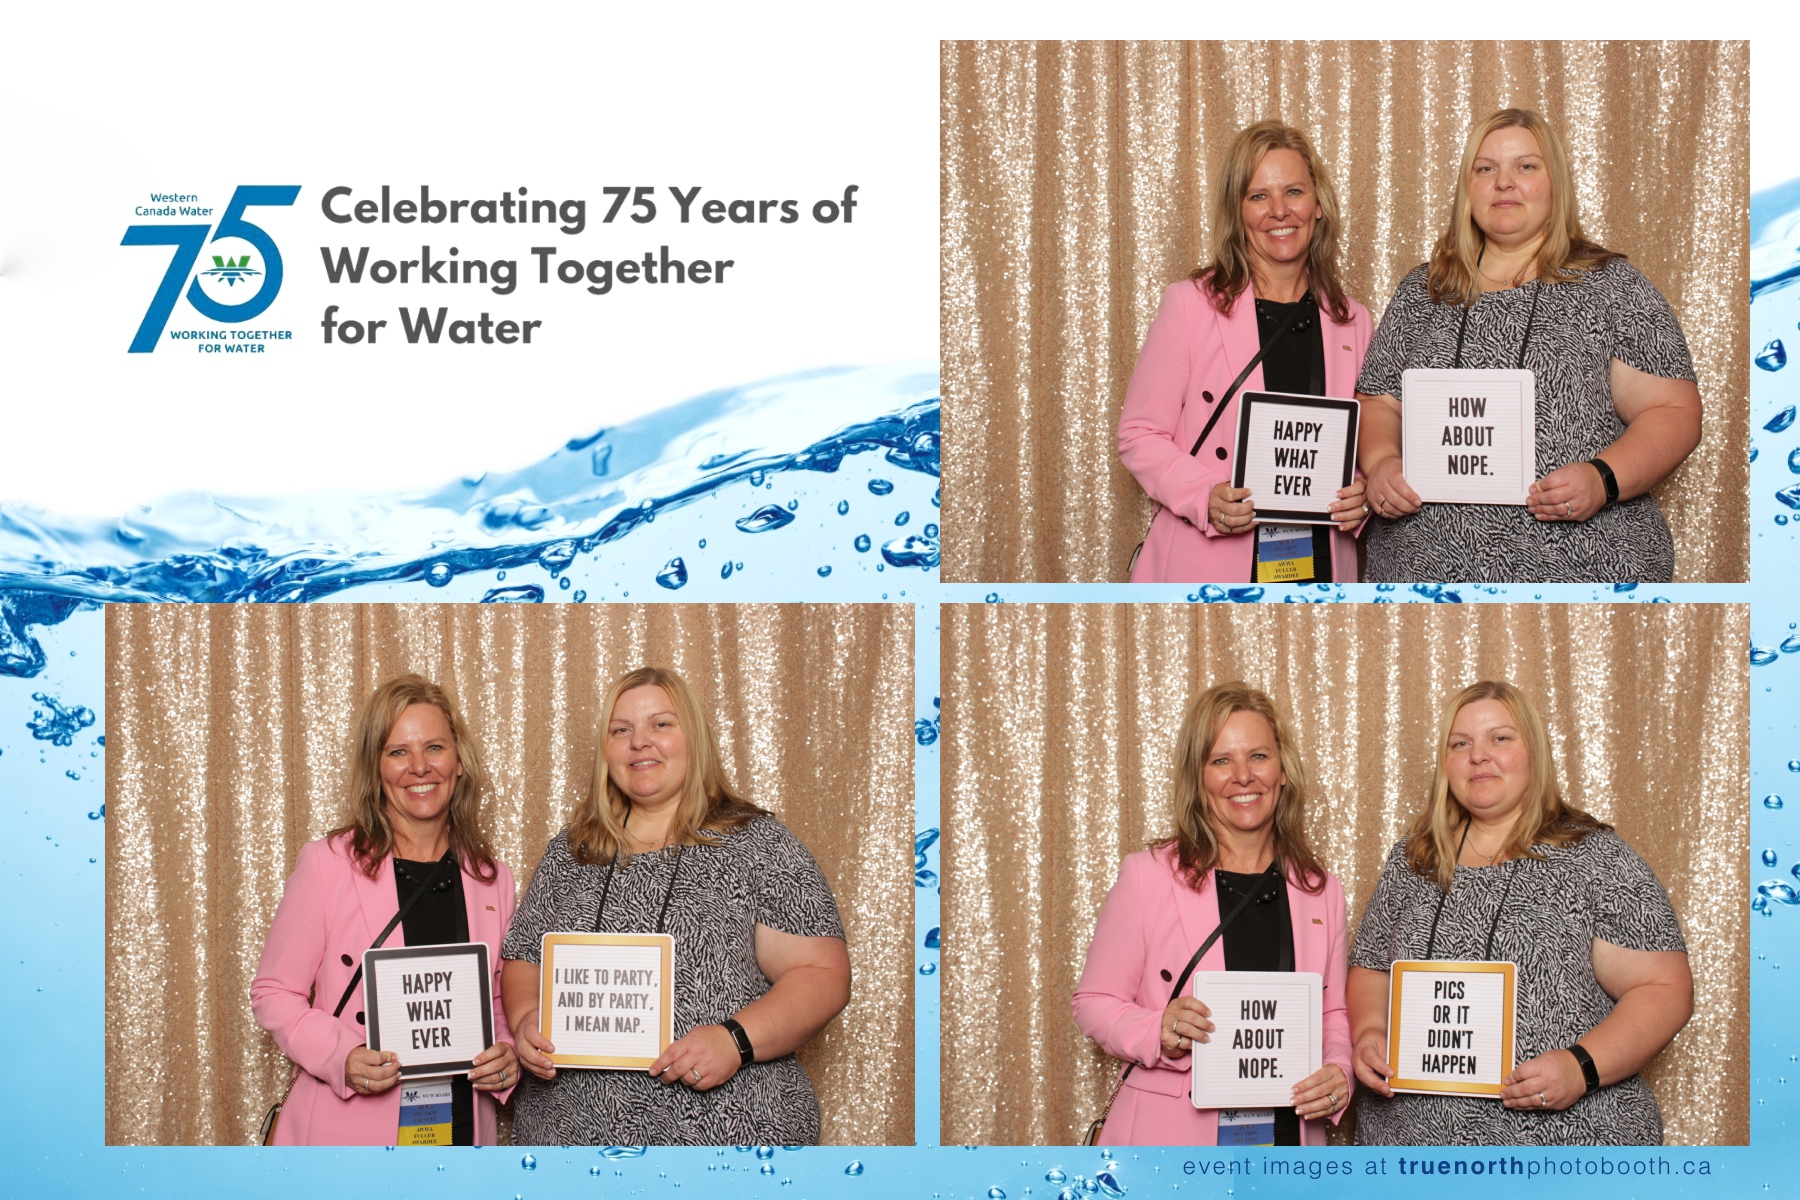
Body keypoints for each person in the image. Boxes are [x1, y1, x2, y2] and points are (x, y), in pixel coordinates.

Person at [501, 666, 851, 1145]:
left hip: (728, 1137)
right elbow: (524, 958)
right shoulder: (572, 850)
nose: (639, 742)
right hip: (569, 1140)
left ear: (694, 739)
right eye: (620, 730)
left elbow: (823, 974)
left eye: (661, 724)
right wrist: (526, 1019)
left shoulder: (758, 844)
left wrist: (735, 1039)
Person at [1356, 108, 1702, 582]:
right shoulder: (1424, 290)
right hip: (1424, 573)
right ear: (1468, 188)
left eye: (1525, 166)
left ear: (1555, 182)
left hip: (1579, 571)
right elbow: (1378, 401)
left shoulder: (1611, 286)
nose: (1504, 182)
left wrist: (1602, 478)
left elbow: (1674, 412)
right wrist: (1380, 463)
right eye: (1485, 168)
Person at [1347, 681, 1693, 1145]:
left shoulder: (1596, 857)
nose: (1478, 756)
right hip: (1412, 1149)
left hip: (1564, 1148)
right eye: (1460, 744)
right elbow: (1371, 968)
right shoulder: (1414, 858)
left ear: (1534, 751)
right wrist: (1370, 1032)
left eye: (1500, 738)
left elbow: (1664, 989)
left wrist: (1581, 1066)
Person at [1071, 683, 1353, 1145]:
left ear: (1283, 770)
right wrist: (1157, 1028)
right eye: (1221, 760)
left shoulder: (1321, 891)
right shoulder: (1148, 876)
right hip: (1171, 1141)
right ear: (1198, 777)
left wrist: (1339, 1070)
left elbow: (1333, 1013)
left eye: (1258, 756)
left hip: (1289, 1138)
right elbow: (1093, 1002)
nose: (1243, 776)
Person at [251, 675, 518, 1145]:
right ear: (376, 768)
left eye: (434, 747)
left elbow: (494, 1002)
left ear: (458, 762)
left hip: (461, 1131)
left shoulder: (490, 878)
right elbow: (273, 991)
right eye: (398, 752)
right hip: (350, 1135)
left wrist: (506, 1054)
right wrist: (341, 1056)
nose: (419, 767)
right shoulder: (328, 864)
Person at [1118, 121, 1371, 584]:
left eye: (1294, 191)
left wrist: (1361, 493)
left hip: (1321, 566)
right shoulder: (1191, 305)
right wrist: (1204, 496)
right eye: (1258, 196)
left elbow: (1359, 443)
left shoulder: (1351, 320)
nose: (1279, 211)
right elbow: (1139, 433)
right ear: (1238, 211)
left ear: (1318, 205)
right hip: (1211, 566)